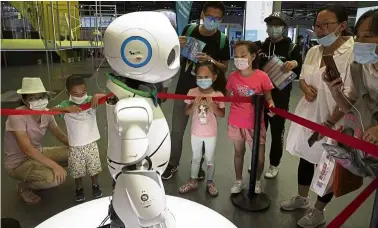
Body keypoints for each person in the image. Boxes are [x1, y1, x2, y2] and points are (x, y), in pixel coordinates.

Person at [283, 5, 355, 228]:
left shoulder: (353, 54)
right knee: (306, 158)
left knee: (328, 166)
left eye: (326, 25)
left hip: (336, 121)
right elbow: (303, 77)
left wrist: (329, 123)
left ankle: (319, 210)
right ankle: (302, 198)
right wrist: (304, 89)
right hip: (309, 116)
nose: (320, 30)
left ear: (342, 25)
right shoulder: (314, 51)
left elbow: (352, 96)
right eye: (317, 25)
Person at [162, 1, 230, 180]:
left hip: (207, 92)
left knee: (204, 130)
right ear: (202, 15)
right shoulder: (189, 31)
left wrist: (211, 60)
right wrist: (177, 45)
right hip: (184, 88)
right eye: (209, 17)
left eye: (217, 19)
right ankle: (172, 163)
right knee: (177, 129)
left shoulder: (222, 39)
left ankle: (199, 166)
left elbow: (224, 67)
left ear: (221, 20)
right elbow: (174, 58)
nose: (212, 21)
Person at [324, 9, 378, 167]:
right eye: (358, 36)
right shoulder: (358, 68)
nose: (360, 42)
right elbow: (349, 108)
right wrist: (335, 91)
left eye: (367, 36)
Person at [4, 77, 69, 205]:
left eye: (41, 97)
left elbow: (59, 135)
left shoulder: (47, 113)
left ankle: (41, 170)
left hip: (38, 153)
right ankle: (24, 187)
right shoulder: (16, 115)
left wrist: (79, 146)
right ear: (24, 100)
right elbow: (27, 149)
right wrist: (55, 166)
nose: (38, 101)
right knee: (54, 180)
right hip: (19, 163)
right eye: (32, 98)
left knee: (75, 153)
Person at [227, 41, 275, 194]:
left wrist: (272, 106)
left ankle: (257, 180)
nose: (239, 59)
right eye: (236, 56)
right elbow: (226, 96)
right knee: (238, 153)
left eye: (243, 55)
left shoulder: (262, 77)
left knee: (259, 158)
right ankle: (239, 180)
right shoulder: (233, 77)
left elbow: (269, 98)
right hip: (236, 122)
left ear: (253, 56)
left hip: (255, 124)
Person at [258, 12, 302, 179]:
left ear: (284, 27)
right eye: (270, 25)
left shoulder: (292, 47)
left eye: (277, 25)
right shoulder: (262, 45)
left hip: (280, 98)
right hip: (260, 96)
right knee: (259, 132)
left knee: (277, 133)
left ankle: (273, 164)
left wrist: (294, 63)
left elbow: (300, 70)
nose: (273, 28)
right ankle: (258, 160)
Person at [51, 75, 104, 202]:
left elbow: (108, 97)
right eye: (76, 94)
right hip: (75, 146)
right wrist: (66, 109)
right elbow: (51, 111)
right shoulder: (65, 104)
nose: (80, 96)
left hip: (91, 143)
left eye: (83, 92)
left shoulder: (91, 100)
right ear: (68, 93)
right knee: (77, 171)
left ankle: (95, 185)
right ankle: (79, 188)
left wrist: (98, 95)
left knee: (94, 168)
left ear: (86, 90)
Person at [178, 60, 226, 196]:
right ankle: (192, 181)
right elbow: (186, 112)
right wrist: (194, 105)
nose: (202, 80)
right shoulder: (192, 91)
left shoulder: (218, 95)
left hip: (211, 133)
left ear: (214, 77)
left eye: (206, 77)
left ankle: (210, 182)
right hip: (196, 132)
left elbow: (222, 114)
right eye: (199, 77)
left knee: (209, 158)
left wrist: (213, 106)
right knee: (196, 157)